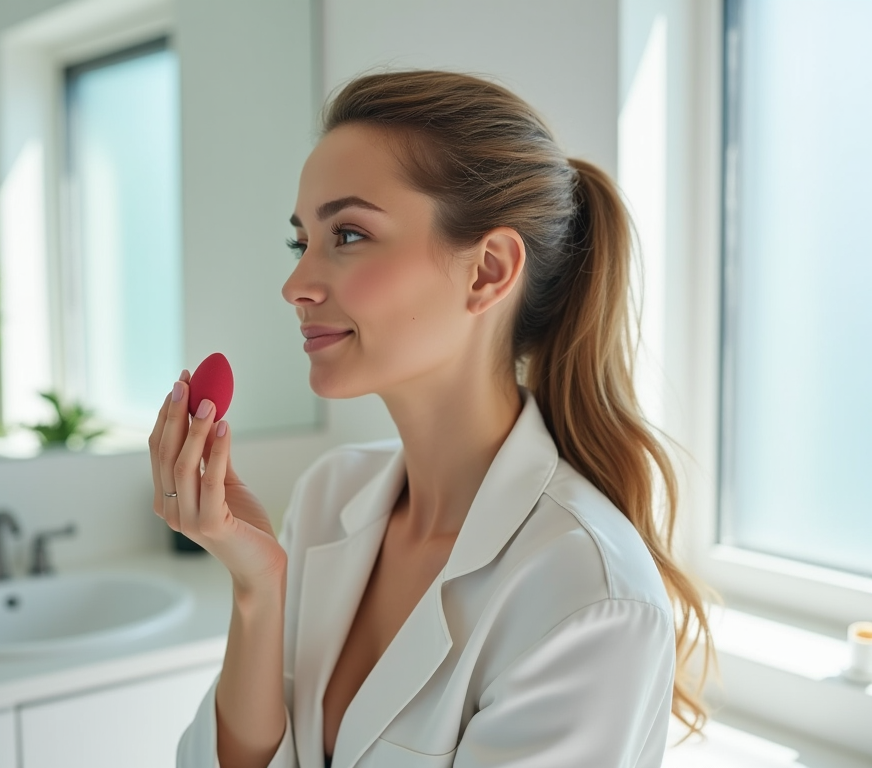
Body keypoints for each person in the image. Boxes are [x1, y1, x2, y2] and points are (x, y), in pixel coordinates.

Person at [149, 69, 715, 768]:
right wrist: (257, 590)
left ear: (488, 271)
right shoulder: (329, 497)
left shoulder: (586, 596)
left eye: (349, 234)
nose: (296, 285)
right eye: (303, 242)